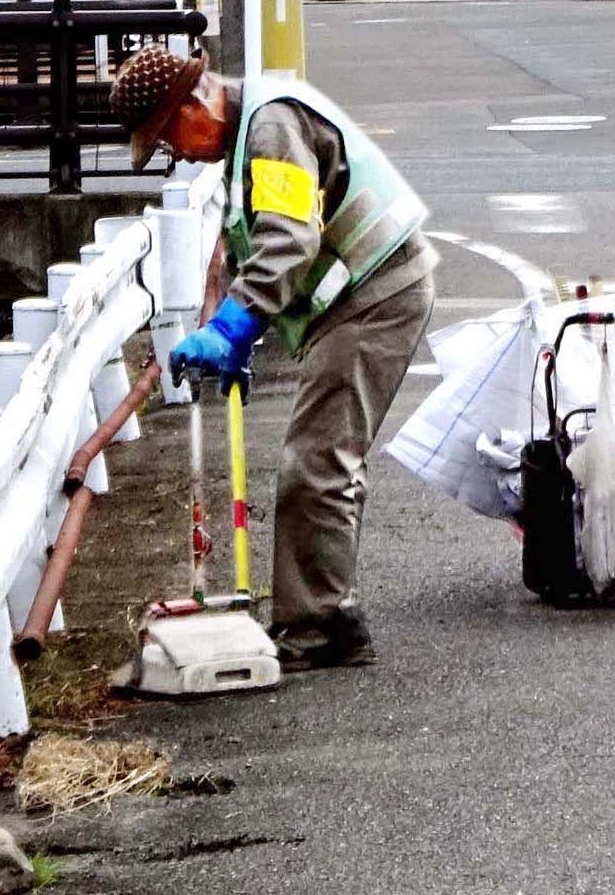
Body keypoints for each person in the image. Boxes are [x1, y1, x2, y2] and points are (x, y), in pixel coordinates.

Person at [111, 45, 437, 668]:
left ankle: (321, 627)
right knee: (319, 454)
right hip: (360, 292)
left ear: (196, 103)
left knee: (316, 459)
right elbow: (255, 239)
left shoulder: (271, 128)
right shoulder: (250, 133)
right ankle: (322, 616)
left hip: (376, 292)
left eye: (169, 137)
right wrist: (235, 327)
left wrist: (234, 325)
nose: (178, 154)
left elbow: (288, 239)